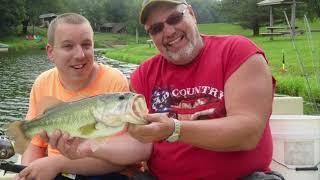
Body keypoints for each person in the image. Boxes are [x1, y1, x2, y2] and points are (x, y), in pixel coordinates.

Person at [41, 1, 284, 179]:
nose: (168, 31)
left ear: (191, 13)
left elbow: (248, 131)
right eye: (156, 28)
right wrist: (89, 147)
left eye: (175, 18)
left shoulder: (237, 52)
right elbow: (140, 145)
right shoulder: (144, 74)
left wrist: (175, 129)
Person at [16, 13, 133, 180]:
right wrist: (27, 174)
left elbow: (120, 159)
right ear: (51, 52)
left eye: (86, 45)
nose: (80, 55)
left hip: (103, 171)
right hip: (57, 171)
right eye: (68, 46)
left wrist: (58, 163)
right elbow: (36, 146)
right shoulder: (42, 83)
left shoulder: (115, 84)